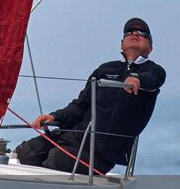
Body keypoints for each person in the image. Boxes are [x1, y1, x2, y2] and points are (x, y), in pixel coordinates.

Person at [16, 17, 166, 174]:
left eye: (142, 33)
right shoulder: (105, 69)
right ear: (121, 44)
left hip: (102, 153)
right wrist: (54, 117)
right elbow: (80, 106)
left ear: (150, 48)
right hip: (72, 136)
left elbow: (153, 79)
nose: (135, 33)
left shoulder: (154, 71)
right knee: (25, 153)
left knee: (57, 159)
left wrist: (137, 79)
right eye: (129, 32)